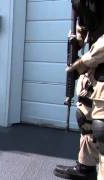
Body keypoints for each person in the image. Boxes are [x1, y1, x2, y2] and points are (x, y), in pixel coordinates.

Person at [54, 0, 104, 179]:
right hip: (95, 67)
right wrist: (77, 39)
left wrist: (83, 62)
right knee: (85, 118)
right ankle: (85, 167)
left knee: (102, 129)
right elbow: (84, 23)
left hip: (97, 58)